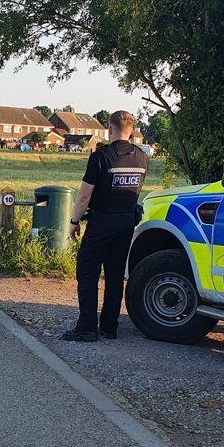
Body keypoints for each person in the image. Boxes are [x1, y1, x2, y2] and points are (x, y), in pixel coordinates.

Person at [62, 111, 150, 341]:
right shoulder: (142, 158)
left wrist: (74, 221)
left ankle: (87, 327)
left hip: (101, 222)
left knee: (88, 272)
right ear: (132, 130)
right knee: (114, 275)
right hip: (126, 223)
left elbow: (84, 196)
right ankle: (110, 327)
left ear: (109, 130)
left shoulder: (101, 157)